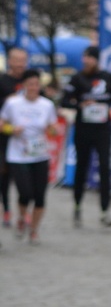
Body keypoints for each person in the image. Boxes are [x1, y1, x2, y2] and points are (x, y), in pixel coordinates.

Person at [62, 45, 111, 229]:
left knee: (105, 167)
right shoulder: (77, 78)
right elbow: (64, 100)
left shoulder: (108, 77)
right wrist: (80, 104)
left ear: (96, 59)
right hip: (83, 129)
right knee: (82, 167)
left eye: (89, 58)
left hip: (103, 130)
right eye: (84, 58)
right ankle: (77, 206)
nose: (86, 61)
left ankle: (105, 210)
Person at [0, 69, 58, 245]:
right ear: (24, 85)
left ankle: (33, 230)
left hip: (39, 155)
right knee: (25, 193)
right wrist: (11, 129)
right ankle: (21, 217)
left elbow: (53, 127)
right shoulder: (13, 103)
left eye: (36, 84)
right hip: (18, 155)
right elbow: (1, 124)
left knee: (40, 196)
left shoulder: (47, 105)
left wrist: (53, 130)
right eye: (30, 84)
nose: (33, 88)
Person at [0, 47, 29, 228]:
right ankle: (6, 209)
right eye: (17, 60)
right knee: (4, 175)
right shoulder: (2, 81)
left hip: (26, 138)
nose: (20, 64)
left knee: (24, 176)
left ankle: (23, 211)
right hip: (5, 135)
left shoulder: (30, 81)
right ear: (9, 61)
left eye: (23, 61)